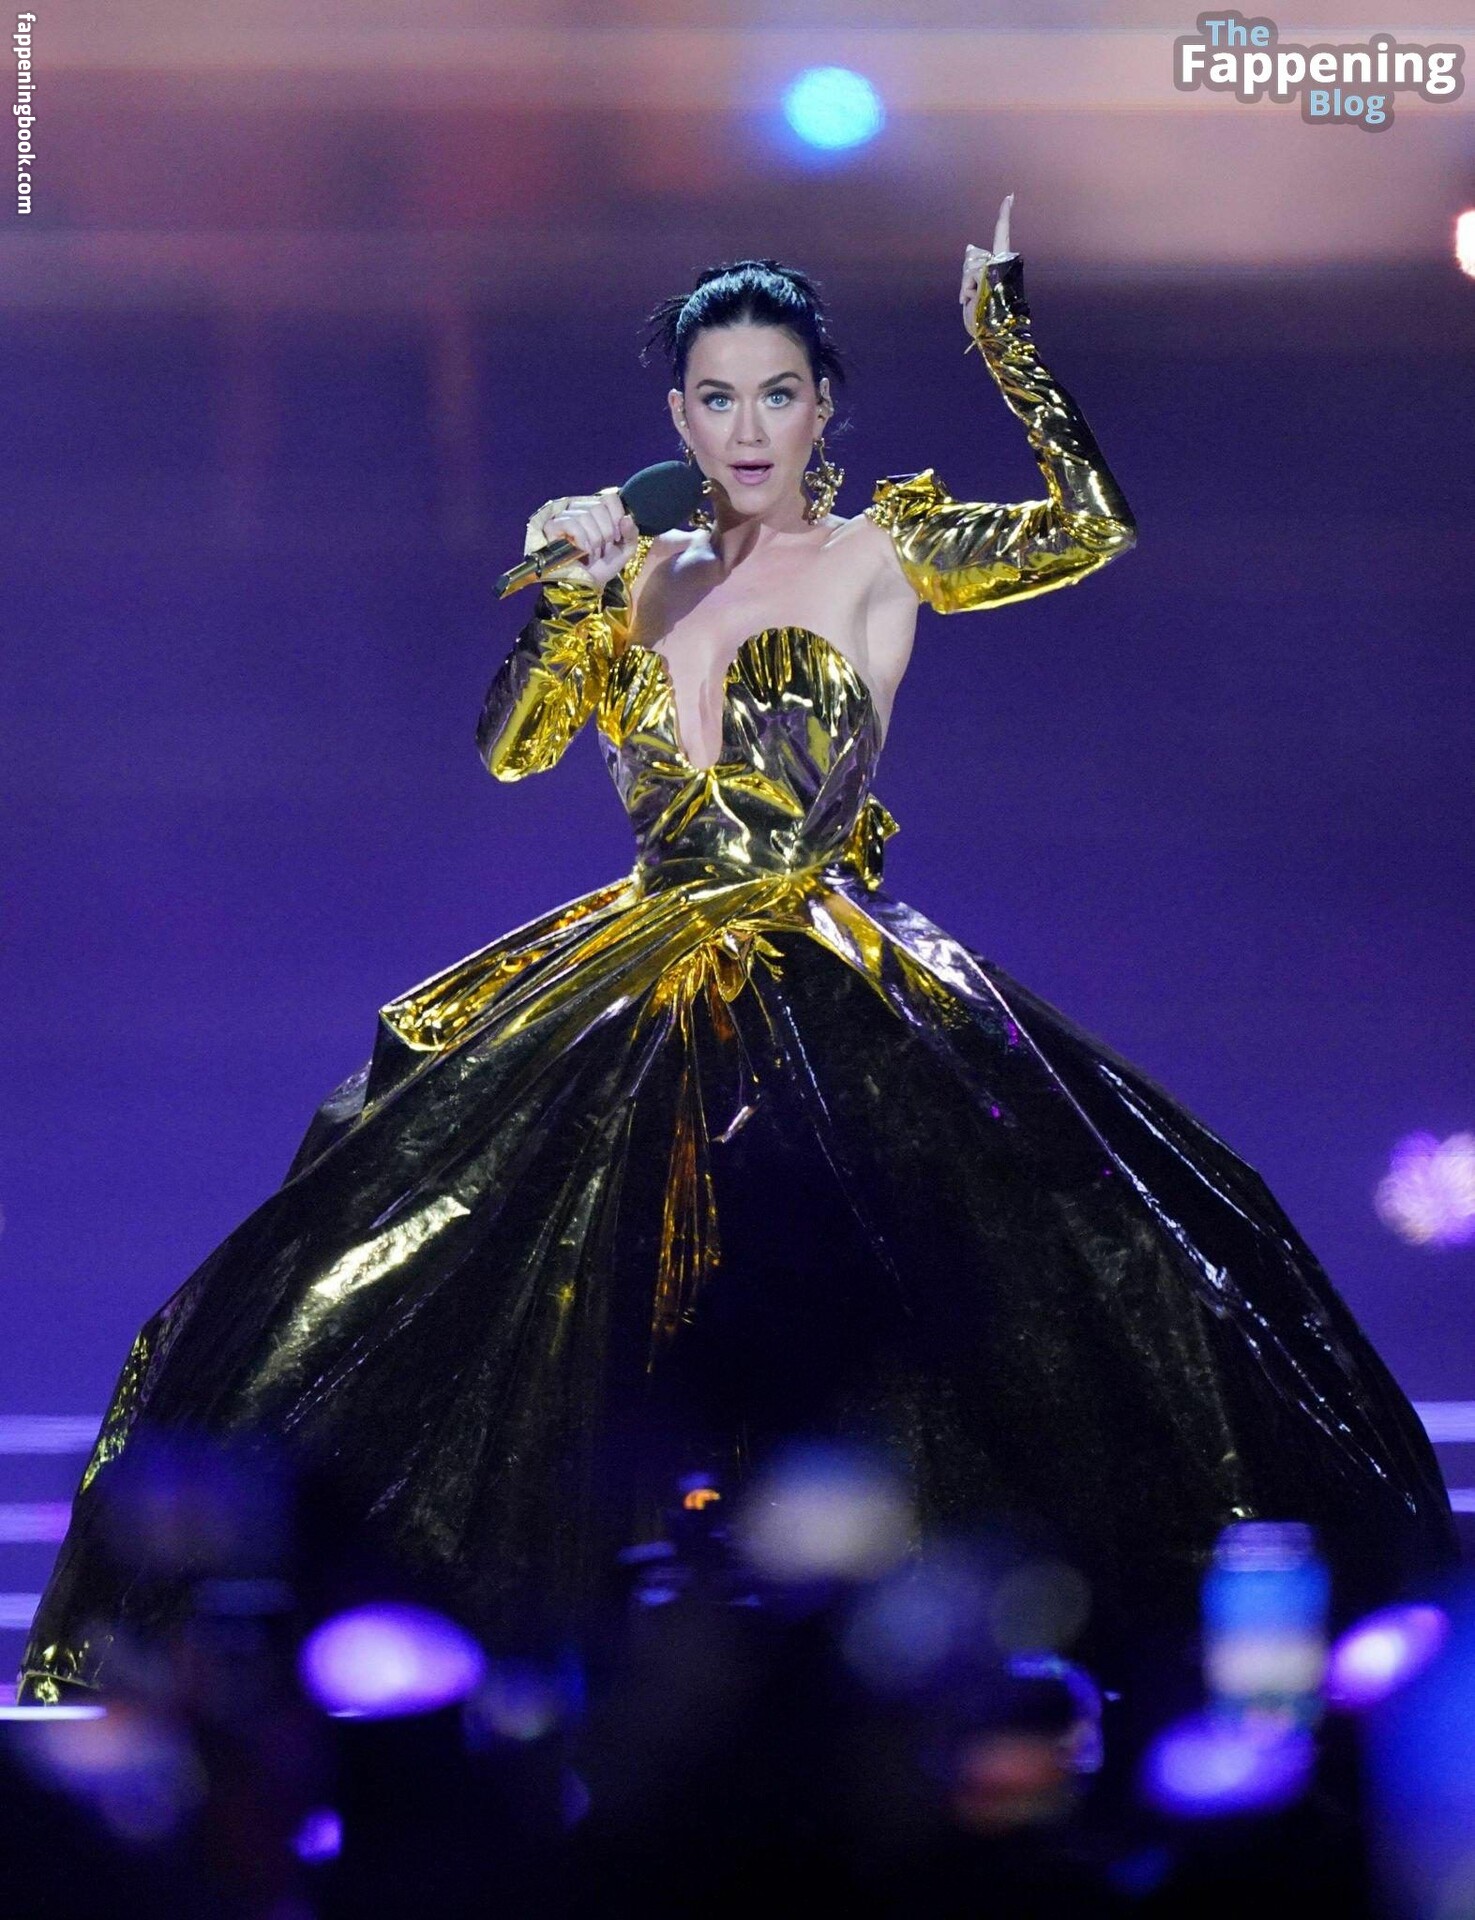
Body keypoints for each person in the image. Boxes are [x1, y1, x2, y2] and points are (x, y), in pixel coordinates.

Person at [19, 197, 1457, 1706]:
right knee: (385, 1281)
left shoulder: (884, 549)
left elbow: (1092, 528)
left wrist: (1008, 346)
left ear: (825, 403)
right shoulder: (634, 572)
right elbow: (513, 752)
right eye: (718, 398)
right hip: (631, 974)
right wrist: (569, 595)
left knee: (1028, 1290)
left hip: (832, 979)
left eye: (779, 393)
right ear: (678, 418)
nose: (749, 428)